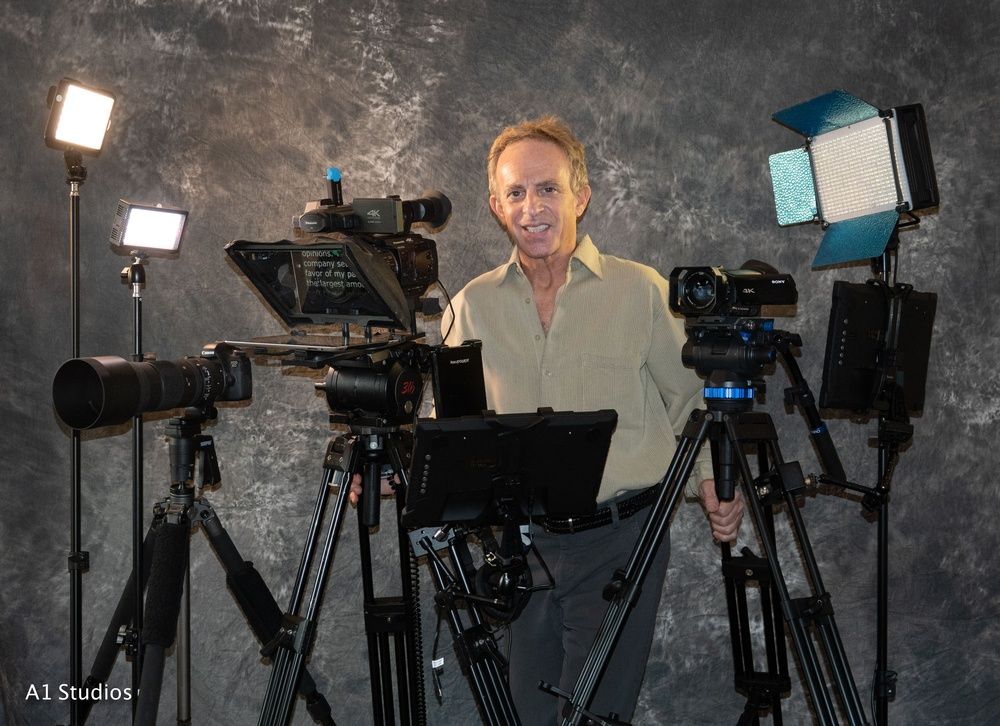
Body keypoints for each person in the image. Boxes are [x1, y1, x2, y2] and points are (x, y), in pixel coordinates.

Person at [431, 116, 745, 723]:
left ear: (581, 194)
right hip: (519, 548)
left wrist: (714, 480)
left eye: (547, 188)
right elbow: (445, 427)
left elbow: (691, 400)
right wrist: (389, 470)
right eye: (516, 193)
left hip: (620, 541)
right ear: (496, 207)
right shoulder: (469, 306)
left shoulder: (642, 291)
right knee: (525, 713)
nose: (533, 208)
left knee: (595, 717)